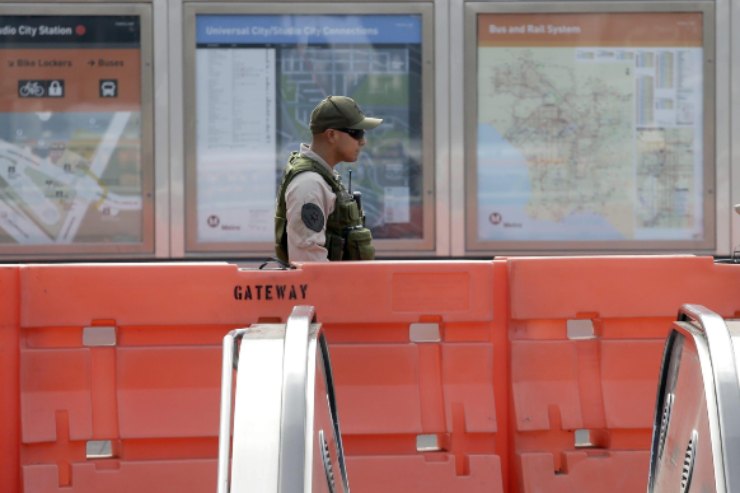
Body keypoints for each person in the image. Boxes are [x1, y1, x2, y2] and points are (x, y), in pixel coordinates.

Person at [274, 95, 382, 263]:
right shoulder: (309, 185)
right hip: (326, 288)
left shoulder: (322, 178)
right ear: (331, 135)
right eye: (356, 133)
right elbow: (309, 263)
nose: (363, 141)